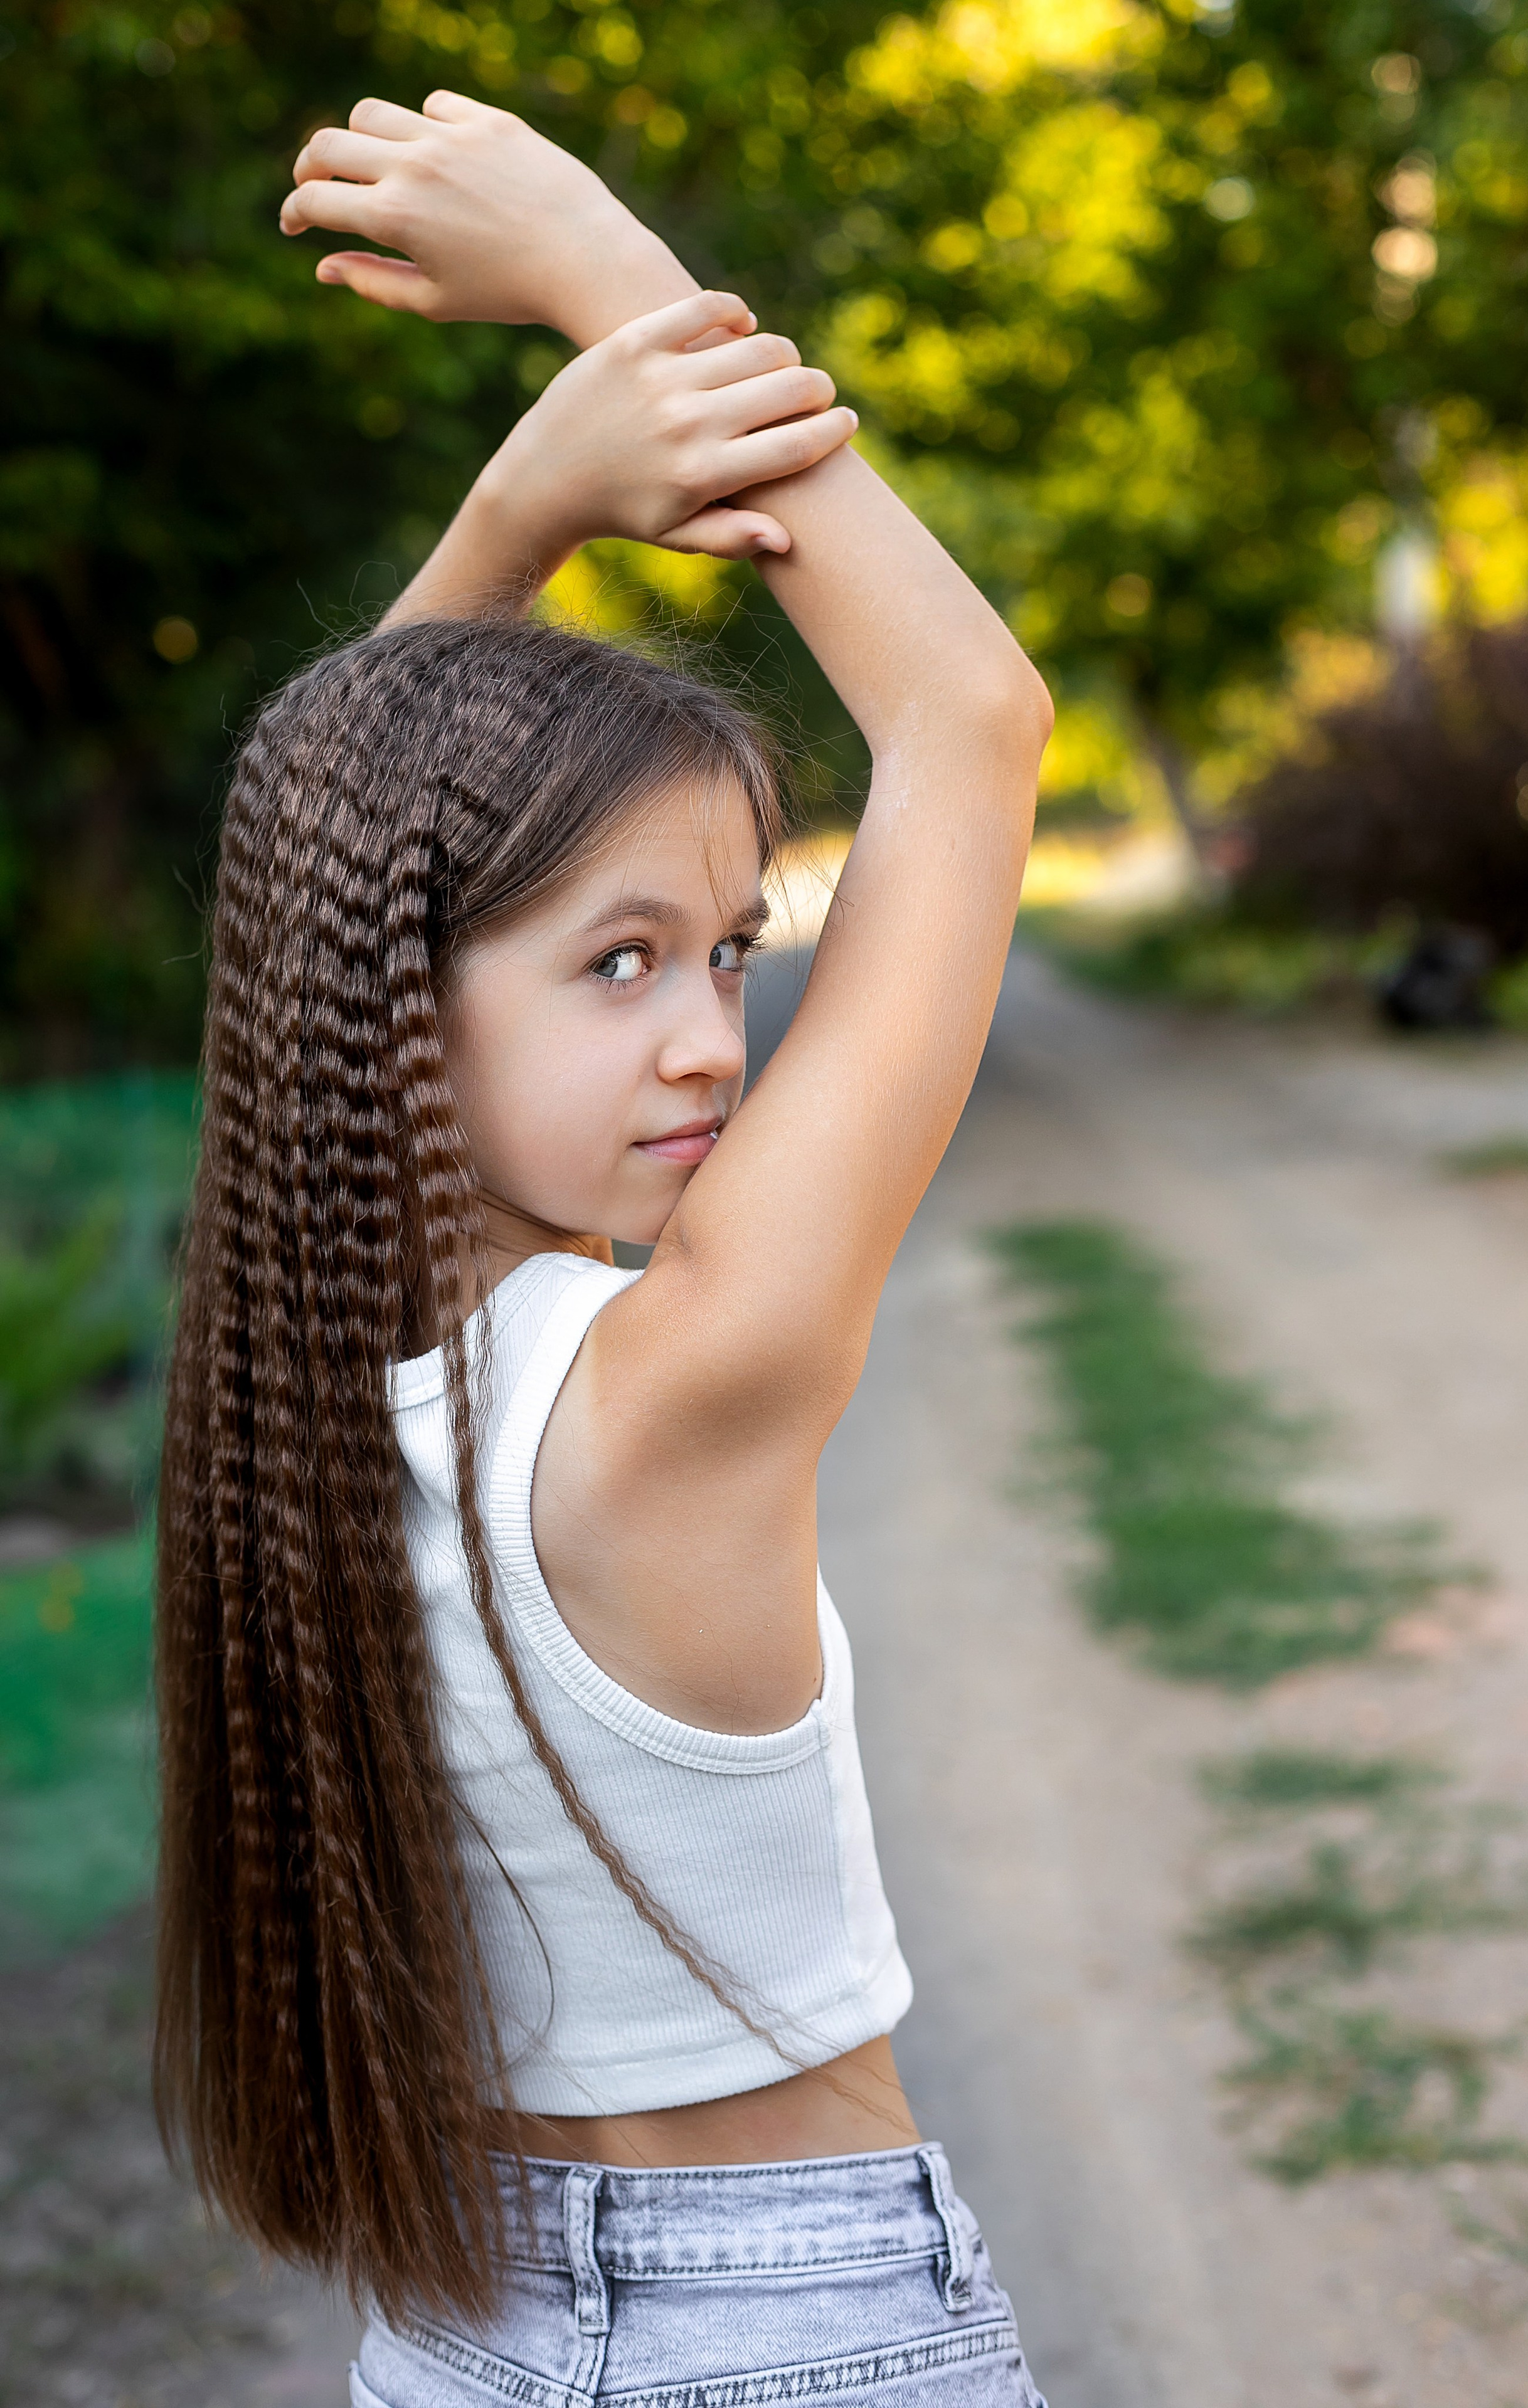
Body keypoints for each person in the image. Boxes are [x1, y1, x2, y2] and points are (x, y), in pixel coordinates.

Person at [155, 89, 1053, 2407]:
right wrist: (600, 262)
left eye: (731, 950)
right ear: (407, 998)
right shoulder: (672, 1391)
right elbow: (971, 719)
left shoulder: (290, 1387)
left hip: (451, 2342)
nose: (708, 1033)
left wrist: (527, 502)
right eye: (620, 960)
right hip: (808, 2330)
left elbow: (342, 867)